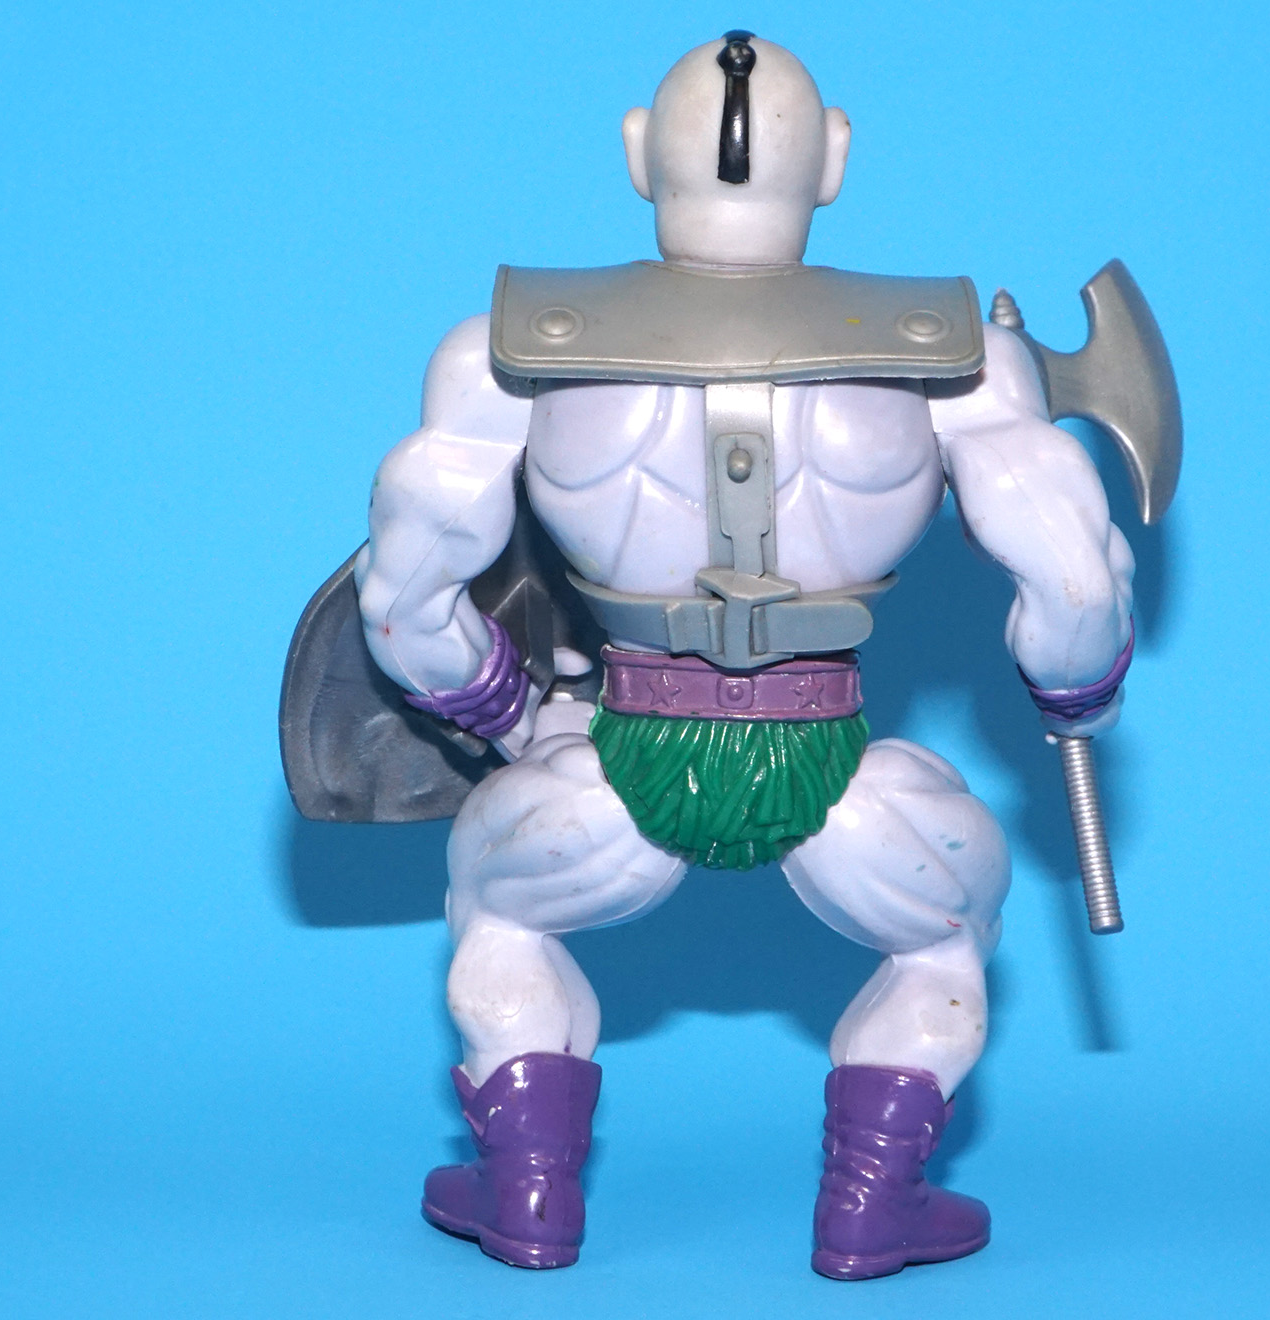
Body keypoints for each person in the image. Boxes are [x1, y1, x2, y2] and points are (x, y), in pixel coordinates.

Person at [352, 32, 1133, 1280]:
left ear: (635, 155)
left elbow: (400, 607)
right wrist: (1076, 704)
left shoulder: (505, 351)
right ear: (831, 161)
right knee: (941, 940)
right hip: (838, 771)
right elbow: (1076, 584)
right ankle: (872, 1204)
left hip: (614, 763)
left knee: (495, 909)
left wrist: (509, 716)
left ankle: (527, 1193)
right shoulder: (956, 359)